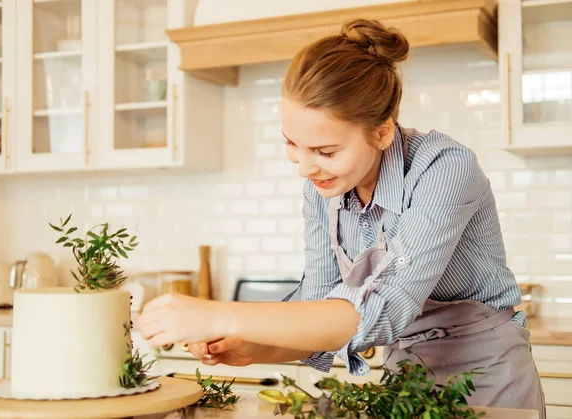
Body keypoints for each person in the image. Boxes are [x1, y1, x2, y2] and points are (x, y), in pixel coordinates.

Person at [137, 18, 545, 416]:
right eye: (292, 144)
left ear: (382, 132)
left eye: (326, 151)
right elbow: (319, 307)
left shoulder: (444, 168)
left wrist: (217, 313)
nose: (304, 167)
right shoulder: (322, 189)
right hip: (404, 383)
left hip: (489, 381)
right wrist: (252, 346)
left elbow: (381, 309)